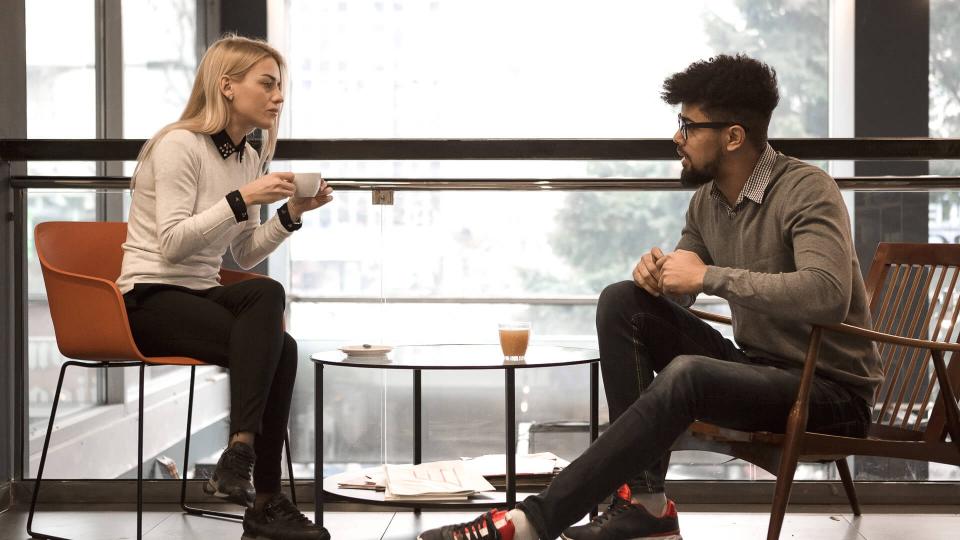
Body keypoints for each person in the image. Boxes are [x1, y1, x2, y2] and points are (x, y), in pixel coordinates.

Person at [418, 54, 882, 540]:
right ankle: (647, 503)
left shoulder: (807, 189)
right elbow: (684, 284)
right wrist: (658, 280)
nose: (677, 138)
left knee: (690, 373)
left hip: (831, 394)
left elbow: (826, 294)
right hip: (757, 368)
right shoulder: (708, 201)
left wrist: (708, 277)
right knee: (622, 301)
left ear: (734, 136)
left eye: (687, 125)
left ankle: (532, 522)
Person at [116, 35, 332, 540]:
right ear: (228, 86)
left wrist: (291, 214)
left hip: (198, 294)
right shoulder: (178, 145)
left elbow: (245, 254)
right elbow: (170, 245)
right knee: (282, 347)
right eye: (268, 84)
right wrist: (241, 198)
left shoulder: (246, 157)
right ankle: (264, 496)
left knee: (268, 296)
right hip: (147, 299)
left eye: (281, 87)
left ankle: (240, 459)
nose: (279, 96)